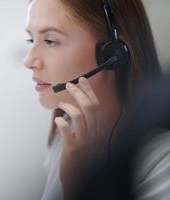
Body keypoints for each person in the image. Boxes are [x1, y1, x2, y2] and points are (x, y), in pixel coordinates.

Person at [23, 0, 168, 199]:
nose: (28, 61)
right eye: (31, 40)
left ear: (112, 53)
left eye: (50, 41)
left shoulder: (162, 162)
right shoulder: (70, 131)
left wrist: (78, 187)